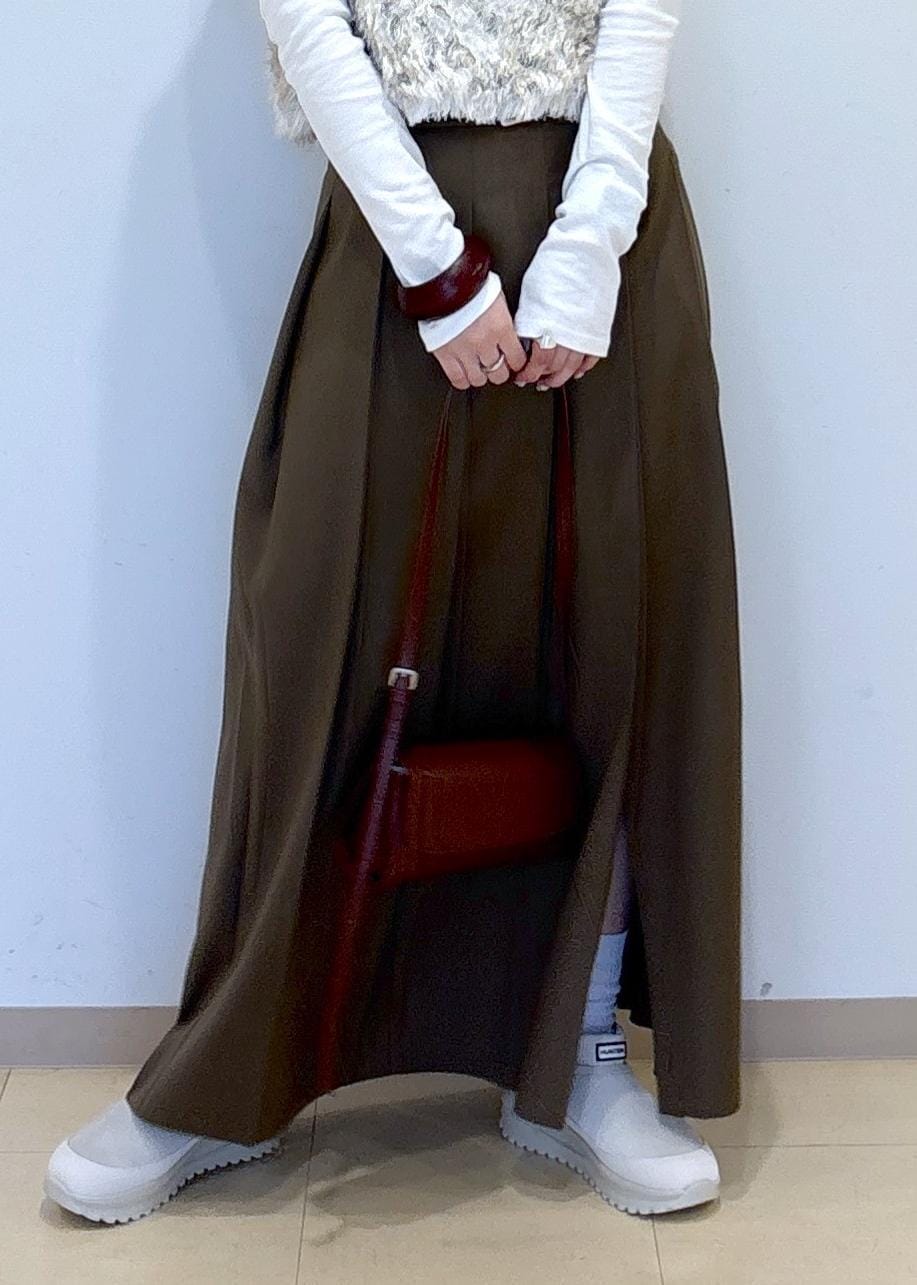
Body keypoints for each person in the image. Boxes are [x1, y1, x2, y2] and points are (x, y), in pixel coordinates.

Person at [44, 0, 742, 1225]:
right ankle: (225, 1071)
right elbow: (309, 23)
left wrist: (588, 247)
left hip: (605, 225)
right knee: (313, 637)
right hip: (391, 230)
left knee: (612, 639)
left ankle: (577, 1060)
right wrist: (436, 265)